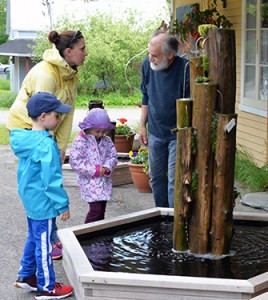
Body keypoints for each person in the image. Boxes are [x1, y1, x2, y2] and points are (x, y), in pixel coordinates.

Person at [6, 29, 88, 259]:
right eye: (82, 49)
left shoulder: (70, 72)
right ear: (69, 51)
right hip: (26, 130)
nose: (86, 53)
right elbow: (43, 117)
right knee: (43, 184)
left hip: (41, 133)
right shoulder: (47, 74)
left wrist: (61, 146)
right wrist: (51, 147)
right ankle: (46, 240)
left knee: (42, 183)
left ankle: (46, 239)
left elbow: (65, 114)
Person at [10, 92, 73, 299]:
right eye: (57, 115)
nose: (59, 118)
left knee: (35, 239)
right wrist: (62, 205)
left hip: (31, 201)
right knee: (45, 244)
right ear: (44, 116)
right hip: (44, 204)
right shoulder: (47, 145)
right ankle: (47, 287)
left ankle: (26, 276)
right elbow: (51, 180)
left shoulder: (25, 139)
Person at [139, 30, 190, 208]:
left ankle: (173, 221)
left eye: (155, 55)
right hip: (155, 132)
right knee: (156, 178)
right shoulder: (147, 65)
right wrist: (142, 126)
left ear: (170, 55)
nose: (150, 58)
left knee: (174, 181)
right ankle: (160, 215)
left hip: (178, 133)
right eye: (149, 54)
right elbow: (145, 96)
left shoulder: (186, 69)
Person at [69, 108, 118, 223]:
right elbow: (75, 162)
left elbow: (113, 156)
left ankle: (98, 233)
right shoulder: (81, 141)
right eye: (97, 131)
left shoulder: (106, 141)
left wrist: (107, 167)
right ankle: (86, 233)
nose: (100, 134)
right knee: (96, 210)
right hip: (89, 183)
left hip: (104, 182)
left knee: (101, 209)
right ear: (89, 128)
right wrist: (95, 170)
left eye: (103, 131)